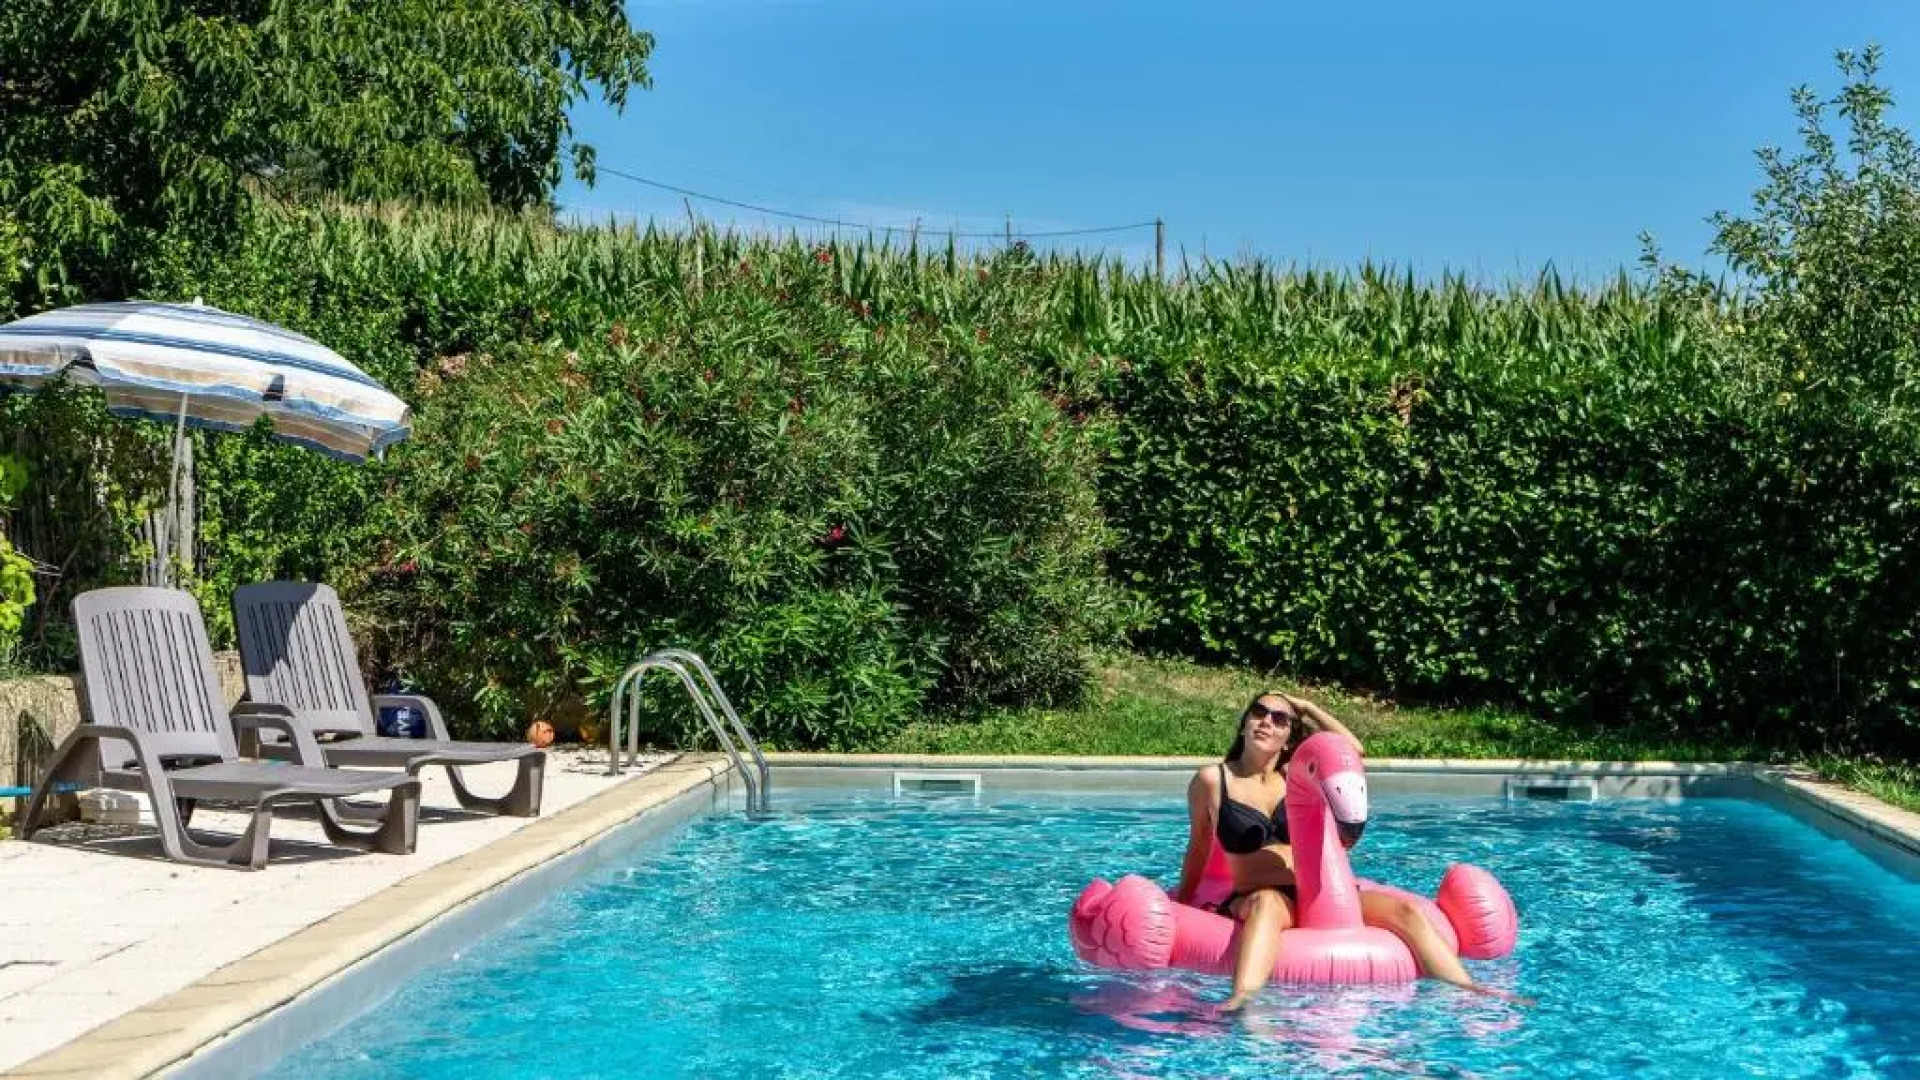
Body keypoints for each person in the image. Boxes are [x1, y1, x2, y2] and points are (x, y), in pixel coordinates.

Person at [1172, 690, 1523, 1011]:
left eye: (1280, 718)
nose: (1266, 722)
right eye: (1259, 712)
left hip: (1321, 892)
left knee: (1408, 913)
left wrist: (1308, 708)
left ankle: (1467, 990)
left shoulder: (1294, 775)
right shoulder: (1213, 780)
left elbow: (1350, 752)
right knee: (1266, 906)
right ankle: (1243, 1000)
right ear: (1245, 722)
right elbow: (1199, 845)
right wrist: (1184, 902)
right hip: (1262, 893)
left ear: (1289, 736)